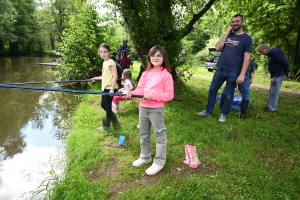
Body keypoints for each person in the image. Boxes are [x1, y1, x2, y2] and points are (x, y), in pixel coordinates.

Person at [126, 45, 174, 176]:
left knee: (160, 136)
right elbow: (140, 89)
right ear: (149, 58)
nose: (155, 57)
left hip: (156, 110)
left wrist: (154, 97)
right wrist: (131, 93)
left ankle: (159, 161)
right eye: (153, 55)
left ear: (163, 58)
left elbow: (169, 95)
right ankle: (145, 156)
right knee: (143, 134)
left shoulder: (166, 75)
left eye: (158, 55)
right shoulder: (146, 73)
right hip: (143, 107)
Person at [197, 14, 253, 123]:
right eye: (233, 22)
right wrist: (227, 32)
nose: (235, 23)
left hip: (234, 71)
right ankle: (208, 112)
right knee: (212, 90)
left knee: (229, 93)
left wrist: (242, 74)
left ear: (242, 22)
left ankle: (223, 114)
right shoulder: (229, 36)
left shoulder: (247, 38)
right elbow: (218, 47)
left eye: (237, 21)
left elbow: (247, 57)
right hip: (221, 68)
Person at [90, 43, 119, 130]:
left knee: (107, 105)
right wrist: (96, 78)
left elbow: (115, 76)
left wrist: (112, 89)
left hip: (110, 88)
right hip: (105, 87)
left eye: (105, 52)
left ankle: (106, 126)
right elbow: (104, 76)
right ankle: (114, 119)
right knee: (103, 105)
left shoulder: (111, 62)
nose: (103, 54)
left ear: (109, 52)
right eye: (101, 52)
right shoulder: (104, 62)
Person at [257, 44, 290, 114]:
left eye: (261, 52)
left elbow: (284, 62)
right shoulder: (270, 53)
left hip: (278, 74)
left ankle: (272, 109)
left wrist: (287, 71)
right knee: (272, 92)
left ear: (265, 48)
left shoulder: (275, 52)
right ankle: (269, 106)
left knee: (274, 93)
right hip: (274, 75)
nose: (261, 54)